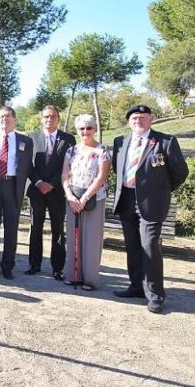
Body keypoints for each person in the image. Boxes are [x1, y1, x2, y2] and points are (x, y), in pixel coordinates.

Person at [112, 104, 189, 313]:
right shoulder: (120, 141)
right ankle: (136, 286)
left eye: (142, 117)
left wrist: (160, 190)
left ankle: (155, 295)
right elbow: (117, 169)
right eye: (134, 118)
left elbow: (180, 172)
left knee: (149, 246)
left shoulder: (165, 141)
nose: (138, 121)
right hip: (127, 199)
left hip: (152, 202)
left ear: (151, 119)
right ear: (129, 121)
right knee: (132, 246)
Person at [0, 105, 34, 280]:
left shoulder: (25, 141)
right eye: (1, 116)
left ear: (14, 119)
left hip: (13, 187)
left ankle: (8, 266)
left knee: (11, 229)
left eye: (8, 116)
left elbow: (27, 167)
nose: (5, 119)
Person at [26, 105, 76, 279]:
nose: (49, 119)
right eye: (46, 117)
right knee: (35, 228)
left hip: (57, 192)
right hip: (36, 190)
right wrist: (39, 182)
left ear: (58, 119)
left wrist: (52, 184)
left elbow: (69, 166)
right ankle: (34, 264)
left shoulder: (68, 139)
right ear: (41, 119)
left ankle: (57, 268)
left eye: (53, 116)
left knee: (58, 230)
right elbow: (27, 165)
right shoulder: (31, 138)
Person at [61, 114, 111, 290]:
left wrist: (85, 198)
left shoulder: (102, 151)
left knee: (91, 239)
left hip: (93, 199)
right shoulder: (71, 151)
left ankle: (89, 279)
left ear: (95, 129)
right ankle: (73, 275)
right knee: (73, 239)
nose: (85, 131)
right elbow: (65, 175)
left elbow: (101, 177)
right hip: (73, 199)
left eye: (89, 128)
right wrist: (70, 195)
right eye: (82, 128)